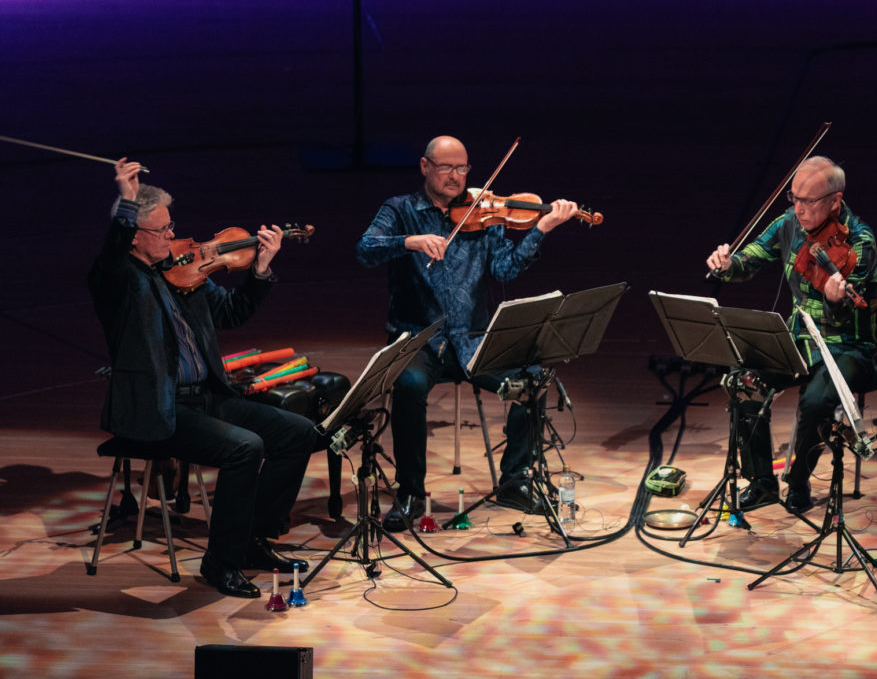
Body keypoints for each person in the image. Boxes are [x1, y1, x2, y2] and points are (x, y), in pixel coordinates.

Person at [89, 158, 320, 599]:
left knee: (298, 433)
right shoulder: (116, 281)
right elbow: (111, 252)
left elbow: (232, 313)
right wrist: (126, 198)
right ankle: (222, 563)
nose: (172, 235)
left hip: (206, 397)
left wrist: (261, 270)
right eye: (161, 230)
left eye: (171, 225)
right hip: (159, 408)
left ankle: (253, 539)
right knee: (244, 447)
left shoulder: (185, 271)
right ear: (135, 236)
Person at [356, 135, 581, 529]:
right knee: (407, 387)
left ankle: (514, 480)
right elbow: (366, 249)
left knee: (533, 379)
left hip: (472, 338)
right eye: (446, 168)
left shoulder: (483, 212)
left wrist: (541, 228)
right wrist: (410, 241)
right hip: (418, 340)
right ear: (425, 166)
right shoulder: (400, 210)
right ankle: (409, 493)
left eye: (462, 169)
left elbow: (504, 270)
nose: (456, 177)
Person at [705, 156, 877, 515]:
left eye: (808, 201)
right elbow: (749, 259)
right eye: (794, 198)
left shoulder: (860, 241)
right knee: (742, 381)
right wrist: (727, 264)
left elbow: (851, 308)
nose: (798, 209)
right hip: (800, 335)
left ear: (835, 200)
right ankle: (762, 483)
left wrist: (836, 300)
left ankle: (798, 481)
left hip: (847, 345)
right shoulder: (789, 223)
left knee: (815, 403)